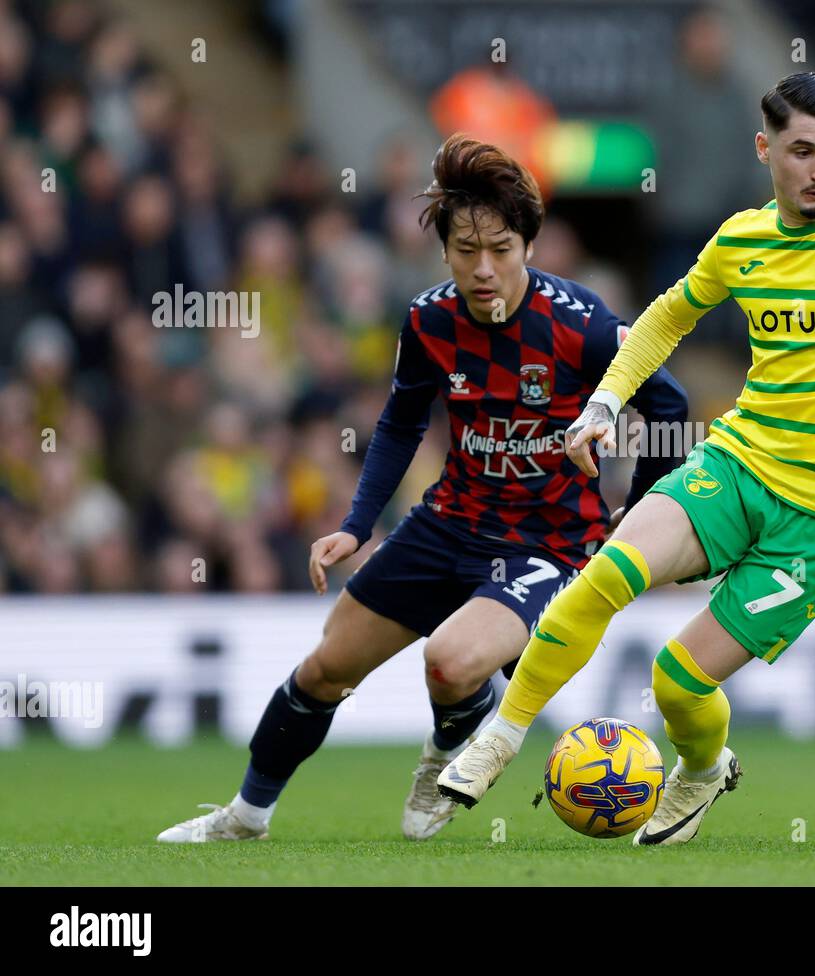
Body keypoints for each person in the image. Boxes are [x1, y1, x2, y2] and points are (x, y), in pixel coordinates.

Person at [437, 73, 815, 846]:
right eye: (802, 151)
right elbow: (665, 317)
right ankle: (500, 735)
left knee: (678, 679)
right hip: (739, 461)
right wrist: (603, 402)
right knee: (607, 572)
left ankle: (700, 771)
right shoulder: (742, 239)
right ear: (766, 149)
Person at [156, 134, 688, 842]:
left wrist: (637, 519)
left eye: (500, 248)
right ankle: (245, 817)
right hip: (447, 522)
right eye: (467, 251)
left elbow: (670, 403)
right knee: (323, 671)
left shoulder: (581, 324)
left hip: (547, 541)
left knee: (450, 661)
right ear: (444, 250)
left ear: (529, 244)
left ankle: (445, 747)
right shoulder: (429, 320)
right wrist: (357, 522)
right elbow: (401, 423)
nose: (485, 268)